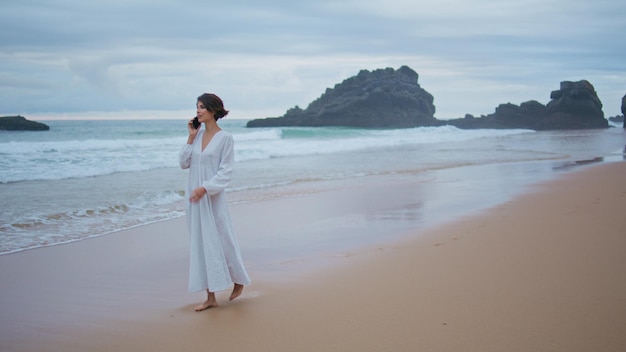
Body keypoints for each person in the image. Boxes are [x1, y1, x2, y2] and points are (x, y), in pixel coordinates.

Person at [179, 93, 251, 311]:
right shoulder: (197, 136)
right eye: (197, 107)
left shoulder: (225, 138)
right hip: (195, 199)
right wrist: (190, 137)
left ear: (213, 110)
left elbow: (225, 172)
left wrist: (205, 188)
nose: (198, 111)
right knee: (201, 244)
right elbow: (184, 163)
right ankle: (210, 297)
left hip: (212, 197)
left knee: (222, 238)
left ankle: (238, 279)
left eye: (202, 107)